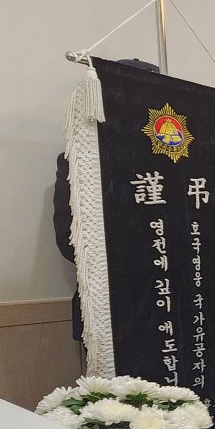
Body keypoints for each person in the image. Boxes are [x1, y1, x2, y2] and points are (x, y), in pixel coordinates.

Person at [53, 58, 161, 343]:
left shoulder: (181, 165)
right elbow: (69, 239)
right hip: (111, 307)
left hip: (171, 306)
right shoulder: (79, 160)